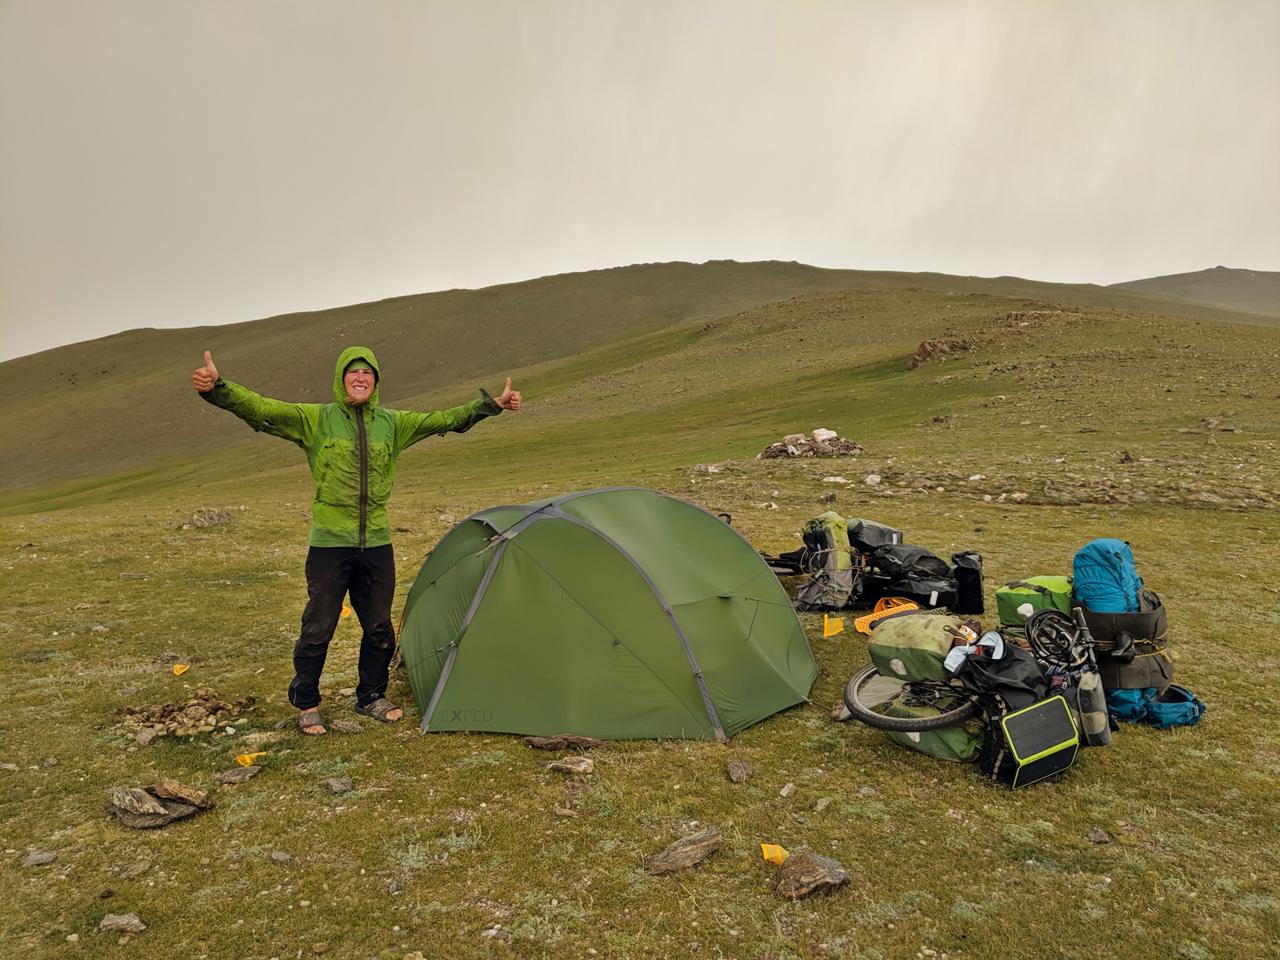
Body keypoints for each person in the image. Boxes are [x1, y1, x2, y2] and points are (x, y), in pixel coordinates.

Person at [192, 346, 521, 735]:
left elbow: (442, 419)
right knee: (318, 627)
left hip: (377, 542)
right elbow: (263, 410)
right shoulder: (315, 419)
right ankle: (307, 702)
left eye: (368, 373)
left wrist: (491, 406)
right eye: (353, 372)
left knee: (380, 627)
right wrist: (218, 389)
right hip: (330, 543)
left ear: (376, 382)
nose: (361, 378)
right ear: (341, 379)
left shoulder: (393, 424)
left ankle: (370, 697)